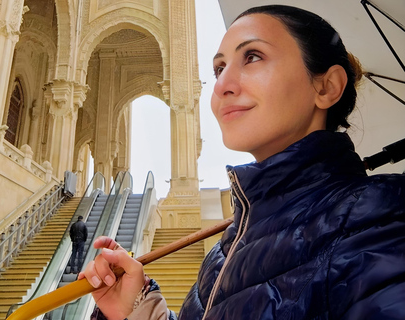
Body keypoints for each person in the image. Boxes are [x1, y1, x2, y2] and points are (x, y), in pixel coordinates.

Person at [79, 5, 405, 320]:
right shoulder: (228, 248)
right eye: (219, 69)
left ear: (326, 86)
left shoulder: (379, 222)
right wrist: (136, 309)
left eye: (252, 57)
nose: (222, 85)